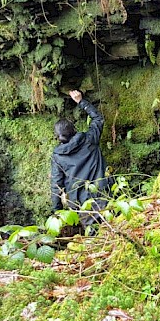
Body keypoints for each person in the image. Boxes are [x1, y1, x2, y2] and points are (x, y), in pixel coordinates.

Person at [50, 90, 110, 228]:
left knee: (94, 237)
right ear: (74, 130)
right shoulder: (89, 140)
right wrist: (80, 101)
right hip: (103, 195)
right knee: (114, 230)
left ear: (58, 137)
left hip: (81, 205)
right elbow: (98, 119)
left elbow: (56, 185)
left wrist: (57, 211)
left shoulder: (58, 157)